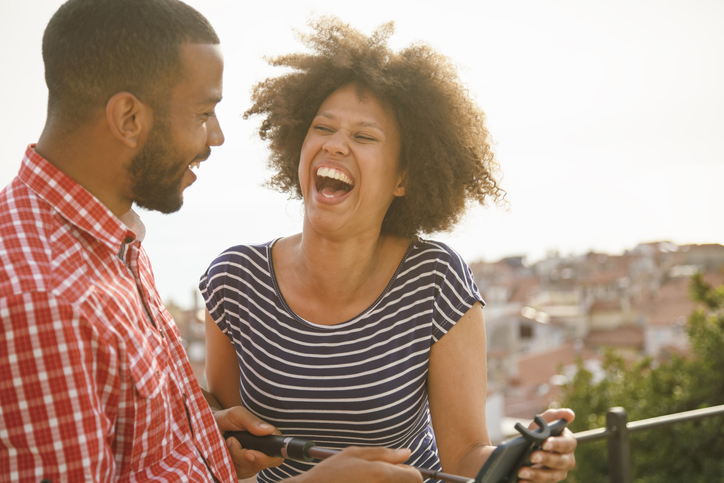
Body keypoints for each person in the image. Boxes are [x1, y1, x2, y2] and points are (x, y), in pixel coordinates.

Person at [0, 1, 424, 482]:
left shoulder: (105, 244)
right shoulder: (42, 298)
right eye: (204, 112)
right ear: (129, 118)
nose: (217, 136)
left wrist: (202, 440)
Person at [201, 17, 578, 483]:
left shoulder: (436, 279)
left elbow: (465, 457)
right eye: (322, 128)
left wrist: (524, 462)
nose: (336, 145)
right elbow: (222, 450)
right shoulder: (234, 280)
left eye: (363, 136)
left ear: (403, 178)